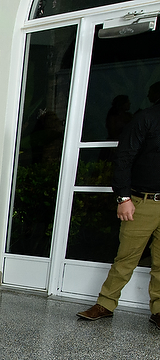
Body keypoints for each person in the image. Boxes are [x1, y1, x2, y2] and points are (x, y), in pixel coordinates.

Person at [77, 82, 160, 329]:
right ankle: (105, 304)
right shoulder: (146, 118)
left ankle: (158, 311)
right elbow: (123, 157)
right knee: (126, 259)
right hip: (142, 202)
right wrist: (123, 198)